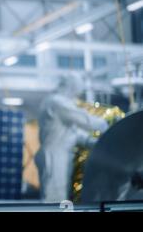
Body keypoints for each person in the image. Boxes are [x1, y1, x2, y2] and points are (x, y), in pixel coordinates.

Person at [34, 73, 108, 202]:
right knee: (54, 198)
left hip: (60, 155)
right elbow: (84, 120)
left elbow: (74, 133)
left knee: (60, 197)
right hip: (53, 155)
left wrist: (96, 142)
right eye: (77, 90)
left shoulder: (60, 105)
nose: (77, 95)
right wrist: (108, 124)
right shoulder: (57, 102)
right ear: (71, 87)